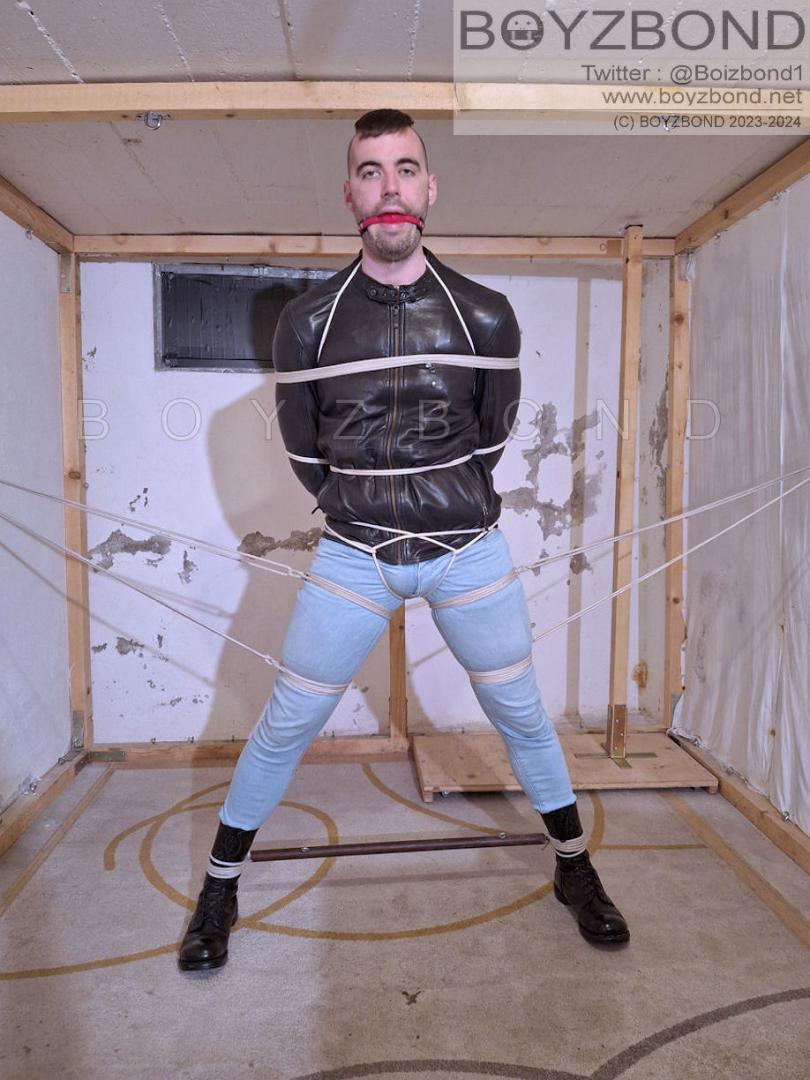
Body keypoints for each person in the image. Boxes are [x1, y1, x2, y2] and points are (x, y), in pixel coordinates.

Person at [178, 109, 629, 971]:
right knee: (286, 722)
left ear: (429, 188)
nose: (390, 187)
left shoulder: (485, 315)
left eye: (406, 169)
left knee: (521, 715)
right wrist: (365, 510)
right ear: (350, 194)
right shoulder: (306, 322)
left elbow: (491, 438)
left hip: (467, 550)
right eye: (371, 170)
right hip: (356, 553)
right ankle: (220, 888)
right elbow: (305, 451)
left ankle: (574, 867)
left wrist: (438, 502)